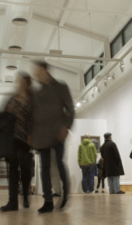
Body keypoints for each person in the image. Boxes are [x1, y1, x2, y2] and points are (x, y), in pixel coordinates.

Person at [31, 61, 75, 213]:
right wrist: (32, 137)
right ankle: (48, 201)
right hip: (42, 136)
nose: (35, 74)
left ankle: (65, 193)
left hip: (57, 132)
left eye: (36, 71)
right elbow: (34, 116)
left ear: (44, 70)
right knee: (44, 168)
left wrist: (66, 126)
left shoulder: (60, 87)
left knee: (60, 163)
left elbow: (70, 108)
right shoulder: (37, 93)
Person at [0, 73, 33, 212]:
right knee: (12, 171)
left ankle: (25, 196)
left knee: (25, 171)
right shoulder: (12, 98)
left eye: (24, 82)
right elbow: (4, 117)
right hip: (11, 139)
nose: (21, 84)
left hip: (25, 140)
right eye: (20, 81)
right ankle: (12, 202)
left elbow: (35, 120)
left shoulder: (32, 100)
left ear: (28, 84)